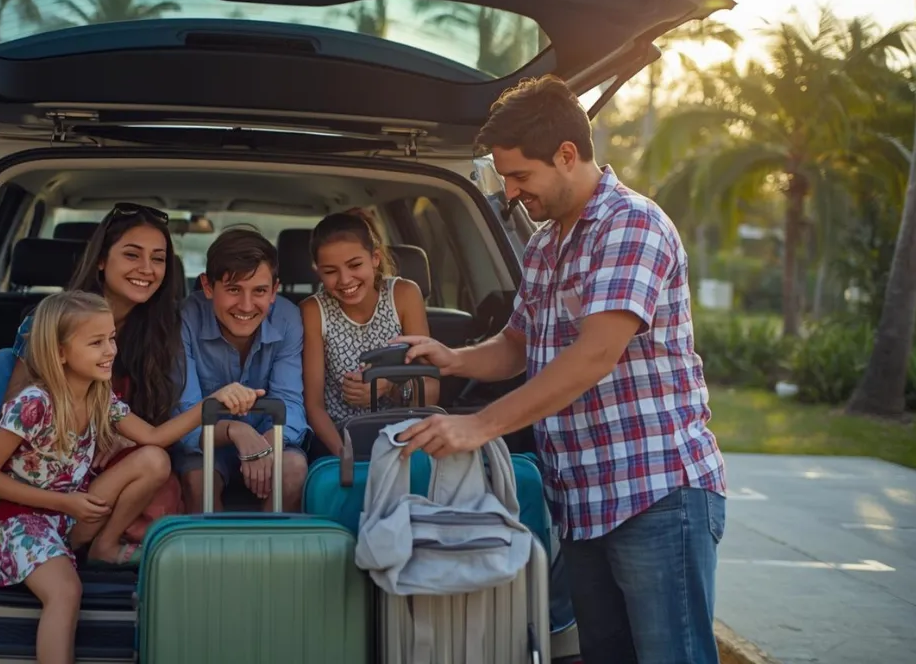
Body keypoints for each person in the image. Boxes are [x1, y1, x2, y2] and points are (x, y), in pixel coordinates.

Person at [393, 75, 727, 664]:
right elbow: (521, 341)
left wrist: (481, 425)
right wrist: (454, 360)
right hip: (581, 499)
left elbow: (595, 353)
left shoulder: (632, 226)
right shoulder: (548, 244)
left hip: (655, 492)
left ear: (567, 155)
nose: (514, 192)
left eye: (521, 176)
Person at [0, 290, 262, 664]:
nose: (110, 351)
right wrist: (65, 502)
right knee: (65, 592)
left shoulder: (99, 398)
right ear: (60, 352)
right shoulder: (32, 404)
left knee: (154, 459)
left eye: (111, 339)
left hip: (71, 515)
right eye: (96, 342)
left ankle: (105, 547)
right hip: (16, 520)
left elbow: (156, 438)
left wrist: (213, 403)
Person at [0, 202, 187, 553]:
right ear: (102, 260)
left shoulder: (163, 329)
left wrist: (124, 436)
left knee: (160, 485)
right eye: (132, 255)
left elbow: (157, 417)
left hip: (101, 457)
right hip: (41, 459)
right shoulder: (56, 320)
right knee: (2, 362)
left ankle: (92, 546)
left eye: (159, 259)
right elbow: (10, 413)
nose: (147, 269)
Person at [173, 227, 310, 512]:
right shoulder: (185, 318)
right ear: (208, 287)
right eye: (234, 289)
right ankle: (211, 556)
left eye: (259, 290)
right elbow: (183, 417)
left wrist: (265, 444)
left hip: (270, 438)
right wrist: (235, 431)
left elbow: (292, 405)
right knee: (198, 482)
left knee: (294, 469)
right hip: (205, 447)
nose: (246, 306)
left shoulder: (288, 318)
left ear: (274, 291)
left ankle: (274, 555)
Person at [300, 209, 438, 457]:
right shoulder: (313, 311)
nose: (345, 279)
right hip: (339, 435)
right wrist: (346, 456)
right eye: (330, 271)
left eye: (355, 265)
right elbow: (314, 406)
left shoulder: (403, 295)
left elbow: (430, 389)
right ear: (317, 270)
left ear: (375, 258)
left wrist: (387, 388)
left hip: (403, 432)